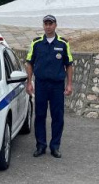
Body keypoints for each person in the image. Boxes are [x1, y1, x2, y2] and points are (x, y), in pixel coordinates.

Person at [25, 14, 74, 159]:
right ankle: (41, 145)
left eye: (50, 23)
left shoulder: (63, 44)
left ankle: (55, 147)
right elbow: (29, 63)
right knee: (39, 115)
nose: (48, 26)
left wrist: (69, 84)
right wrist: (29, 82)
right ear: (43, 25)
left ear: (55, 25)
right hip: (41, 85)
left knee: (57, 117)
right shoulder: (36, 43)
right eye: (46, 23)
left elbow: (69, 65)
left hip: (57, 86)